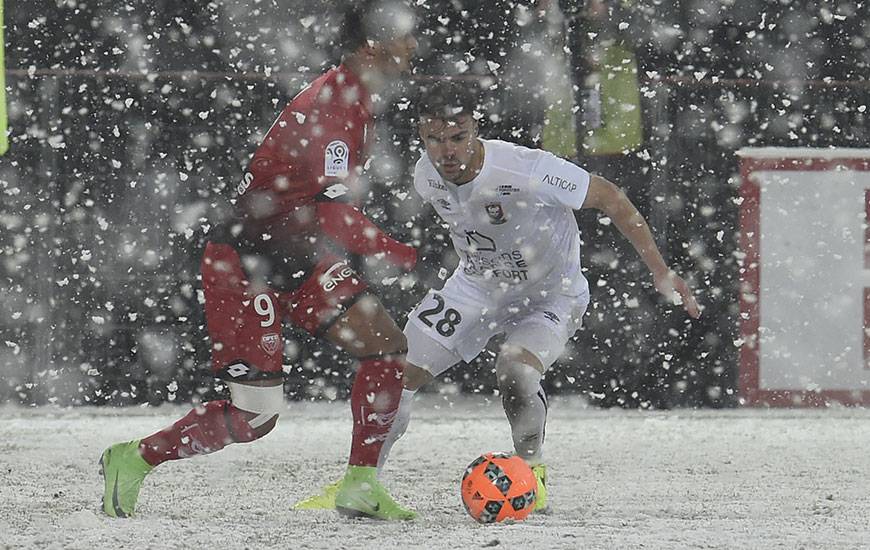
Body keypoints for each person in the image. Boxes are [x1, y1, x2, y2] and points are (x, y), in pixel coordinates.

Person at [99, 0, 419, 521]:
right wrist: (401, 252)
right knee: (254, 420)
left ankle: (360, 485)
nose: (412, 45)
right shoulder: (337, 103)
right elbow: (334, 214)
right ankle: (134, 458)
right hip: (246, 266)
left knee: (385, 346)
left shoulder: (357, 96)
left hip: (297, 258)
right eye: (402, 36)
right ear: (372, 45)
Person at [379, 79, 700, 512]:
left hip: (550, 295)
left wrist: (661, 272)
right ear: (421, 136)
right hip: (475, 288)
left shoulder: (526, 169)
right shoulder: (425, 175)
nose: (447, 152)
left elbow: (609, 195)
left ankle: (532, 473)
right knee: (393, 376)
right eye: (435, 139)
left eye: (457, 137)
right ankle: (364, 483)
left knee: (516, 372)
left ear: (476, 128)